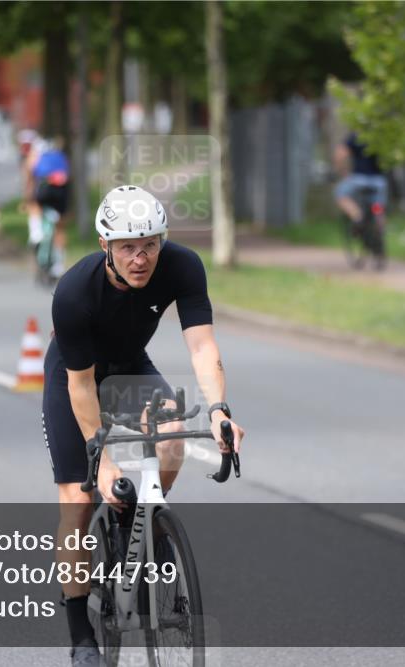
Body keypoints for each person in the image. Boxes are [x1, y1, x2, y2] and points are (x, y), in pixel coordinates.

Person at [42, 185, 246, 666]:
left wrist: (219, 410)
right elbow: (82, 386)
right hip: (77, 377)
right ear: (105, 246)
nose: (141, 258)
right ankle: (81, 637)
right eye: (128, 247)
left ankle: (147, 528)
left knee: (174, 430)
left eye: (150, 244)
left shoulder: (183, 266)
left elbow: (201, 347)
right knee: (77, 496)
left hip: (130, 365)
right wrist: (106, 462)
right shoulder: (73, 292)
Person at [25, 136, 70, 278]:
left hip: (44, 189)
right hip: (61, 190)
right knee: (60, 227)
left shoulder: (35, 154)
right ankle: (59, 265)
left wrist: (28, 196)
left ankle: (36, 233)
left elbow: (29, 174)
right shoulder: (60, 156)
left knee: (34, 204)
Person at [332, 132, 388, 225]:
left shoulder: (356, 136)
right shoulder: (381, 134)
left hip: (358, 179)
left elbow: (340, 154)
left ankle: (358, 216)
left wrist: (342, 172)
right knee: (378, 207)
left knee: (341, 195)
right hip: (378, 181)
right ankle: (379, 226)